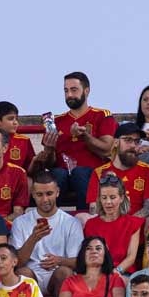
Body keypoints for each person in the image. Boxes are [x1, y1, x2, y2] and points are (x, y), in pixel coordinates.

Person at [32, 71, 118, 209]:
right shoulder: (56, 121)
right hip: (62, 175)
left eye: (74, 90)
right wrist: (49, 149)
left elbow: (107, 149)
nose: (69, 95)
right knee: (57, 174)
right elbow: (50, 164)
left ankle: (85, 218)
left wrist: (85, 137)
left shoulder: (102, 115)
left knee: (80, 172)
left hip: (91, 174)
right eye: (66, 91)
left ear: (87, 90)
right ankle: (52, 221)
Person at [8, 174, 83, 297]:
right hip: (32, 273)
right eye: (39, 195)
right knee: (23, 274)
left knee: (64, 272)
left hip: (56, 274)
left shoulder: (71, 222)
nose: (44, 199)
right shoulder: (20, 222)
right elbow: (16, 263)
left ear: (57, 192)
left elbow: (78, 262)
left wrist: (59, 260)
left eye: (49, 194)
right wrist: (33, 238)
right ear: (33, 194)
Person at [85, 122, 149, 218]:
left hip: (135, 225)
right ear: (115, 142)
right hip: (108, 224)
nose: (133, 145)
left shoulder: (148, 170)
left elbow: (148, 208)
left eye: (137, 141)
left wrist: (126, 224)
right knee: (82, 218)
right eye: (128, 140)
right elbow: (94, 208)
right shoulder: (99, 172)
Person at [83, 175, 144, 275]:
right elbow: (90, 256)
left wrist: (116, 272)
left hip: (123, 272)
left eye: (112, 197)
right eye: (104, 197)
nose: (108, 202)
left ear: (121, 198)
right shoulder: (91, 225)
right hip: (99, 273)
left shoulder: (133, 223)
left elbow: (131, 257)